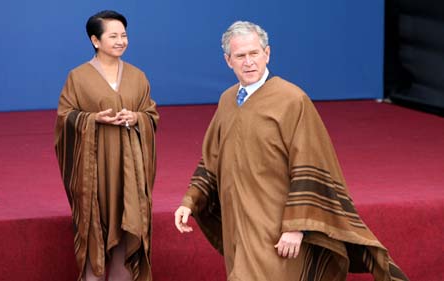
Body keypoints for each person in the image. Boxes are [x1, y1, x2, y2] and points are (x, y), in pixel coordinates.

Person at [174, 21, 408, 281]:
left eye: (255, 53)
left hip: (275, 227)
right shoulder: (227, 100)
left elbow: (310, 165)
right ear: (228, 60)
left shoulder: (292, 100)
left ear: (268, 54)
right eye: (240, 56)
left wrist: (296, 227)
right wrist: (190, 201)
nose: (249, 62)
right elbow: (212, 159)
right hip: (238, 225)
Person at [54, 10, 158, 281]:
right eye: (113, 35)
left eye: (124, 35)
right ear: (95, 40)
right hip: (95, 168)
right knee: (94, 233)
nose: (121, 40)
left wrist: (136, 117)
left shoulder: (137, 76)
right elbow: (65, 117)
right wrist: (92, 119)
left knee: (129, 227)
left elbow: (151, 114)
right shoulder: (78, 77)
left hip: (129, 168)